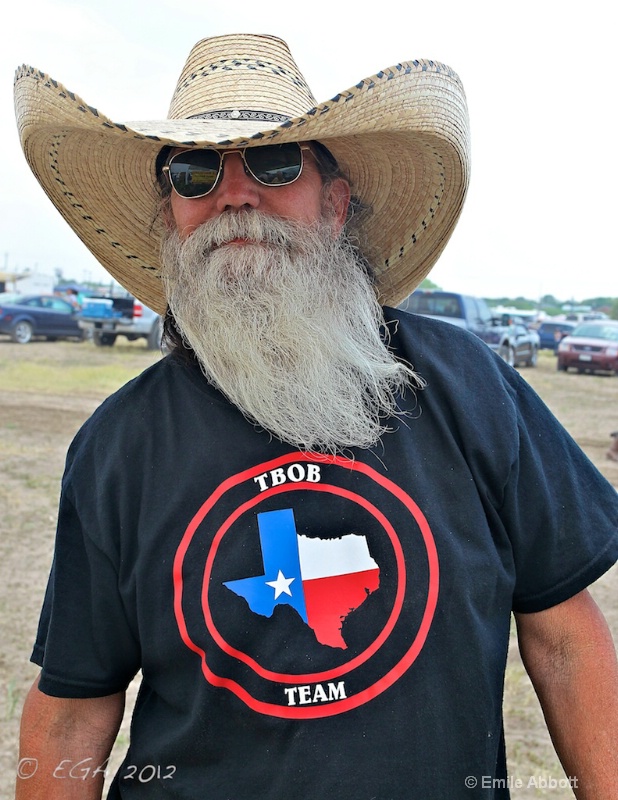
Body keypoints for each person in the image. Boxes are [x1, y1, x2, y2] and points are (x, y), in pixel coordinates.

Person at [13, 33, 618, 800]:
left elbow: (564, 638)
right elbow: (73, 706)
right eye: (195, 172)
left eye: (275, 163)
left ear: (335, 205)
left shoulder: (468, 386)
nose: (235, 196)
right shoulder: (119, 444)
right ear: (172, 216)